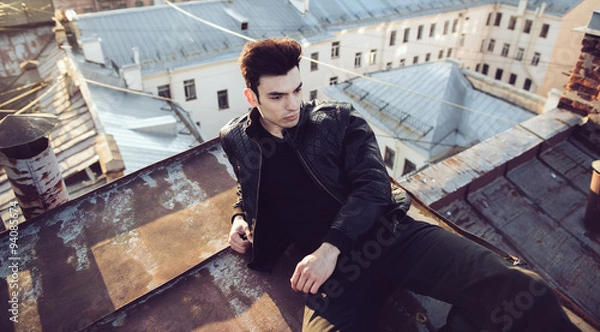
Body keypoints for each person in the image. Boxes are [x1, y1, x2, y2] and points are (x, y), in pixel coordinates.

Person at [219, 37, 580, 331]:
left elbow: (373, 188)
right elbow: (249, 182)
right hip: (337, 275)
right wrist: (239, 216)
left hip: (389, 237)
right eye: (277, 97)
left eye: (297, 90)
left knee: (525, 289)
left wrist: (329, 249)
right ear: (252, 97)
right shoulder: (236, 139)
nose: (293, 105)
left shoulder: (338, 121)